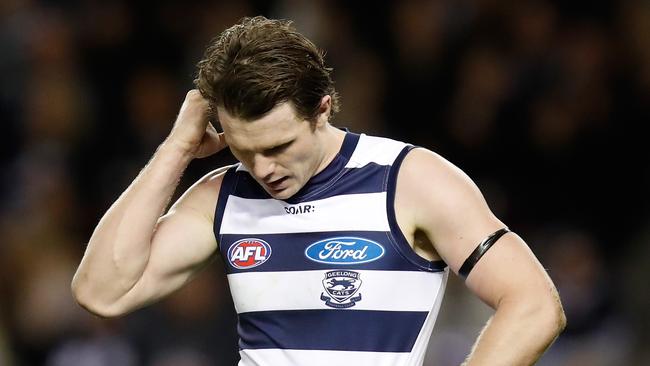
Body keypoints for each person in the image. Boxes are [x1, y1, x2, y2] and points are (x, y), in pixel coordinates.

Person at [72, 16, 565, 366]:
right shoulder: (224, 195)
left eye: (279, 145)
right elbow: (101, 291)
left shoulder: (410, 180)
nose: (264, 168)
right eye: (244, 150)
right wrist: (177, 148)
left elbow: (535, 304)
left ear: (323, 108)